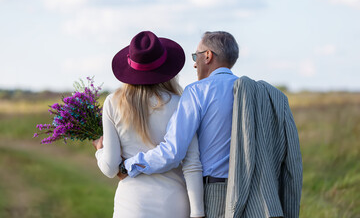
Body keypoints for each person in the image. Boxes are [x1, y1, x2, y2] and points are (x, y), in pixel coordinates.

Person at [123, 31, 302, 218]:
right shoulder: (259, 94)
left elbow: (173, 151)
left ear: (207, 56)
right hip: (257, 193)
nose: (194, 63)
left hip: (215, 194)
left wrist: (130, 164)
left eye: (196, 56)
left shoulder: (197, 91)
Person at [92, 31, 205, 218]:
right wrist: (197, 213)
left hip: (131, 205)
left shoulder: (113, 102)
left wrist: (99, 151)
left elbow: (111, 168)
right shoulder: (181, 103)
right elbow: (192, 164)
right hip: (174, 205)